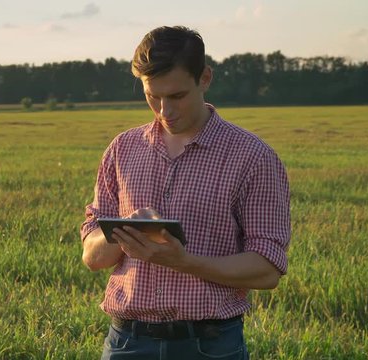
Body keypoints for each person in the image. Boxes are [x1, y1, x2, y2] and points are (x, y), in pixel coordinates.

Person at [80, 25, 290, 360]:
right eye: (153, 96)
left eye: (177, 96)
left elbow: (267, 269)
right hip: (126, 342)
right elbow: (92, 257)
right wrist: (123, 232)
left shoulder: (253, 157)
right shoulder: (122, 150)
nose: (165, 111)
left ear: (204, 78)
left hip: (210, 344)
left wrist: (184, 262)